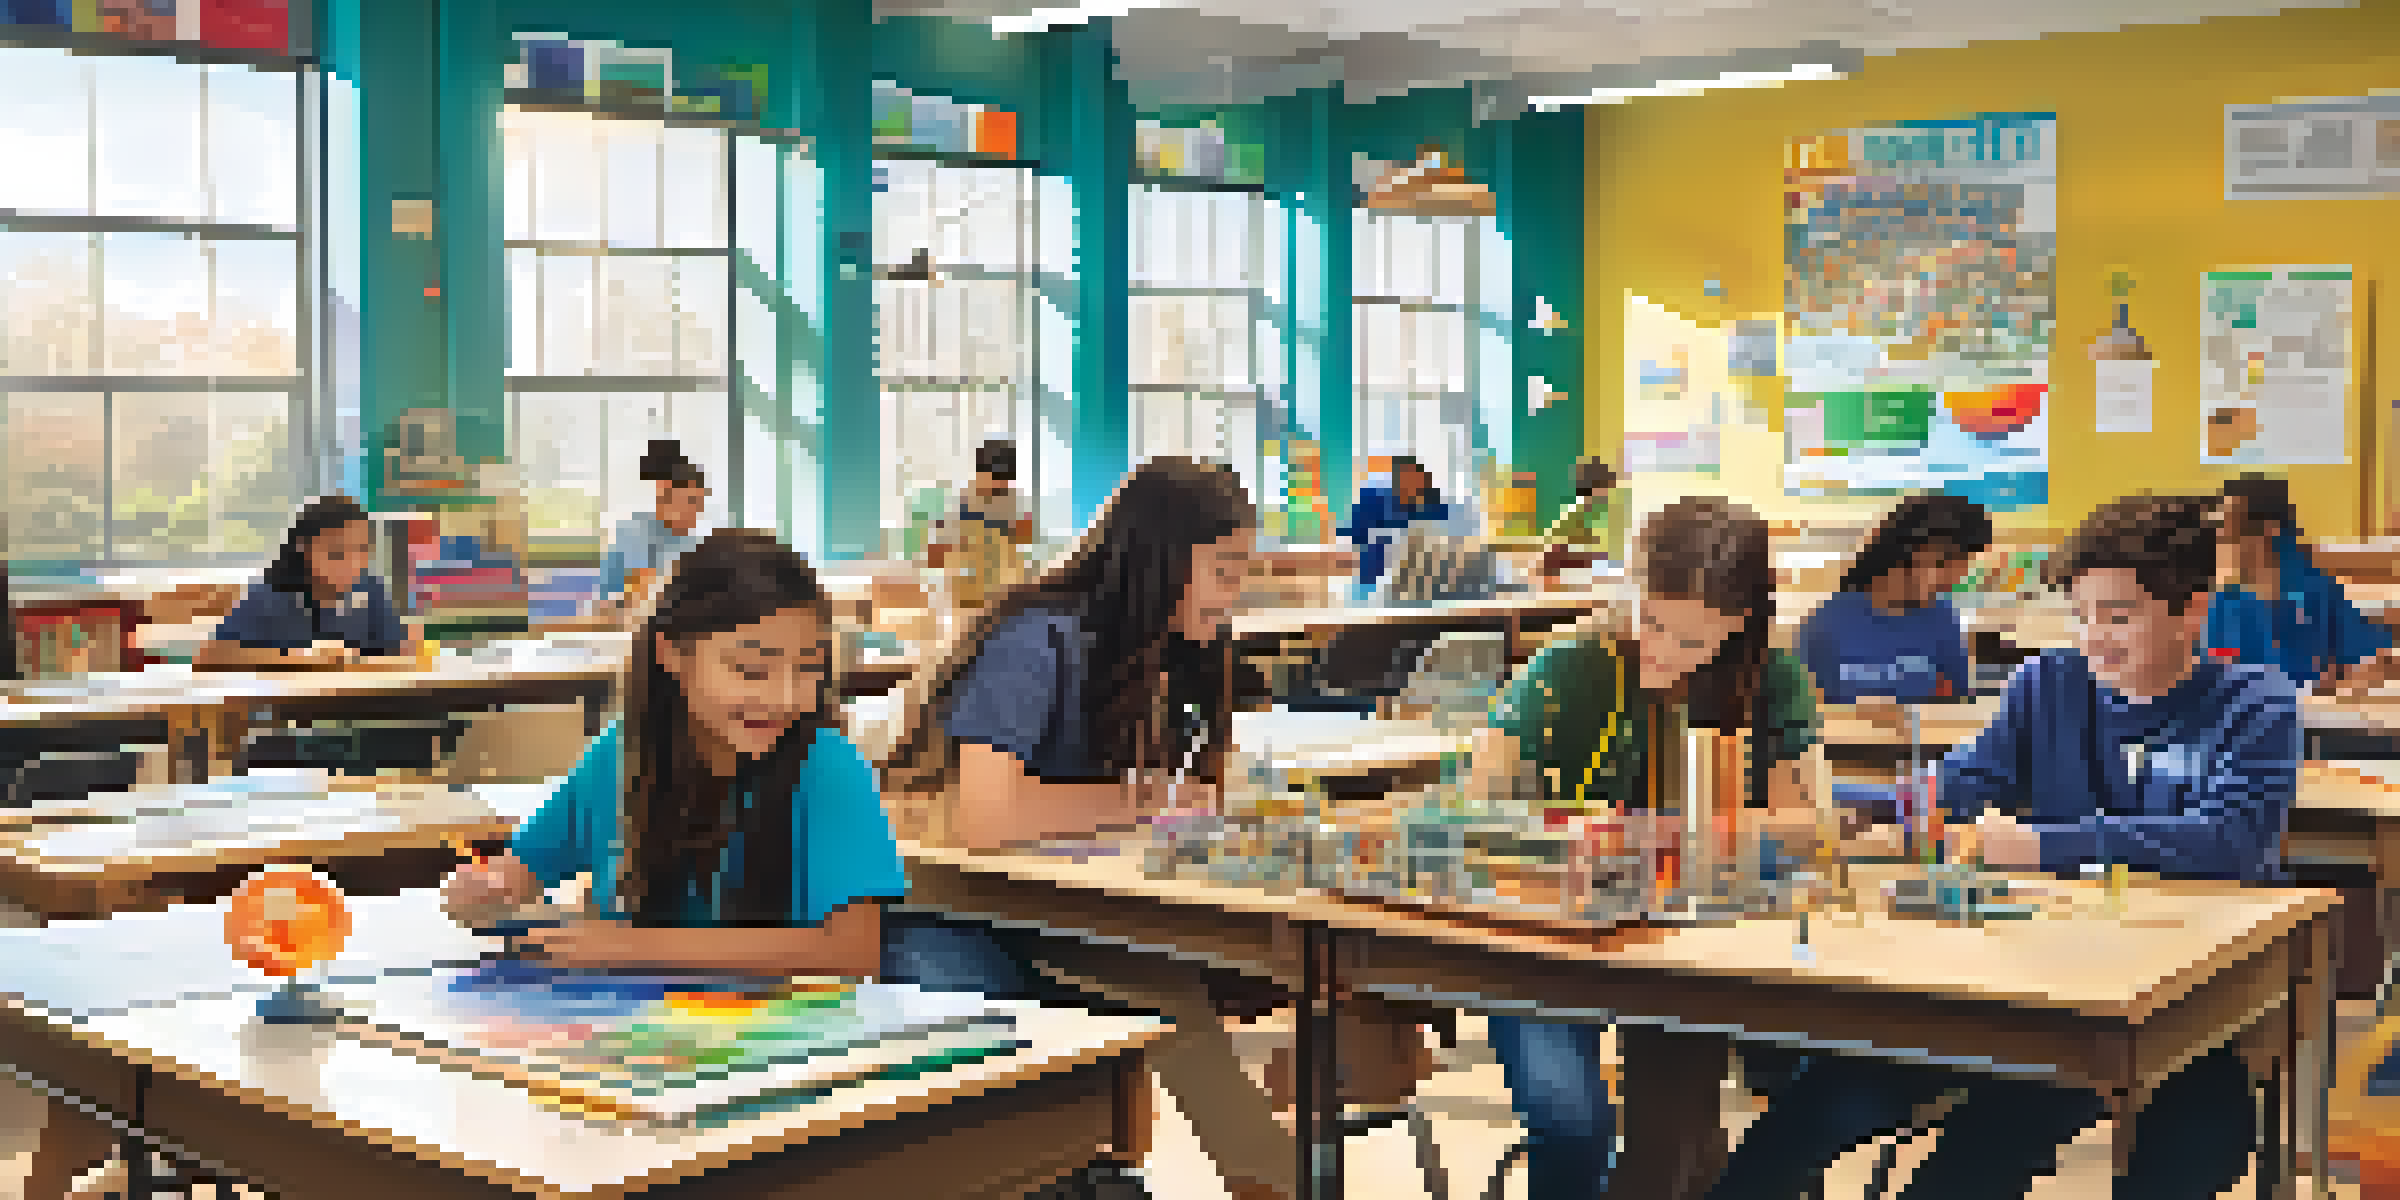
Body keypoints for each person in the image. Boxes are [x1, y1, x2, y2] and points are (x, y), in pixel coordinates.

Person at [1708, 493, 2301, 1200]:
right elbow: (1963, 780)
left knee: (2196, 1135)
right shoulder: (2049, 684)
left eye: (2119, 616)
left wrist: (2040, 847)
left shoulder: (2254, 705)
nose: (2095, 639)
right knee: (1834, 1096)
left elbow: (2228, 844)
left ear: (2192, 610)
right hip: (2044, 995)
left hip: (2184, 1007)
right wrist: (1846, 814)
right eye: (2082, 616)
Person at [878, 457, 1419, 1200]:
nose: (1234, 596)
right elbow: (987, 818)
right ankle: (1265, 1172)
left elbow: (1181, 795)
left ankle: (1284, 1143)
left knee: (1222, 974)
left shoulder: (1173, 655)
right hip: (957, 900)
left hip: (1058, 893)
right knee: (1163, 990)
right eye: (1224, 571)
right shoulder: (1036, 639)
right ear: (1163, 559)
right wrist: (1146, 799)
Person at [1468, 496, 1825, 1200]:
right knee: (1569, 1116)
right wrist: (1562, 835)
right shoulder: (1568, 670)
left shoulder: (1770, 679)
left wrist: (1684, 834)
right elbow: (1477, 807)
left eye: (1692, 641)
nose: (1662, 651)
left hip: (1688, 949)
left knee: (1671, 1139)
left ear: (1741, 621)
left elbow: (1809, 827)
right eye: (1652, 621)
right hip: (1550, 944)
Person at [440, 529, 902, 972]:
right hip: (634, 1032)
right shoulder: (622, 754)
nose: (784, 697)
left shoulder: (827, 766)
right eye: (752, 670)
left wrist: (631, 945)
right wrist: (484, 890)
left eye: (807, 669)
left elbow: (852, 950)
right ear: (672, 655)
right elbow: (521, 871)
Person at [2208, 473, 2398, 691]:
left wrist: (2347, 675)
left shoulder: (2316, 591)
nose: (2221, 539)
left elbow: (2372, 655)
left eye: (2230, 530)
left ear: (2267, 533)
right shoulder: (2222, 604)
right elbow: (2214, 674)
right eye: (2220, 530)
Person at [1797, 493, 1990, 705]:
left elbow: (1959, 706)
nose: (1953, 579)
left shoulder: (1943, 617)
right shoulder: (1827, 622)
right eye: (1943, 561)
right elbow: (1804, 714)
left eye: (1961, 567)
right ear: (1902, 553)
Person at [196, 494, 413, 669]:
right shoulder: (271, 593)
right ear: (304, 550)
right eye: (337, 553)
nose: (353, 563)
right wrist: (299, 660)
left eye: (363, 550)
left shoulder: (370, 589)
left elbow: (396, 649)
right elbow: (211, 654)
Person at [601, 439, 709, 621]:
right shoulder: (637, 532)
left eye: (699, 502)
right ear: (665, 496)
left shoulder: (693, 542)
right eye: (691, 501)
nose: (697, 510)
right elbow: (633, 592)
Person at [931, 438, 1034, 612]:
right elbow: (935, 557)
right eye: (993, 476)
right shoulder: (962, 503)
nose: (998, 484)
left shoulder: (1014, 502)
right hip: (969, 597)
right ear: (980, 473)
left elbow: (1026, 537)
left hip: (1007, 594)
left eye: (1004, 479)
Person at [1338, 456, 1450, 592]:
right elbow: (1351, 530)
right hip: (1375, 577)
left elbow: (1445, 536)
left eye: (1416, 479)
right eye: (1404, 478)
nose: (1410, 484)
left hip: (1420, 579)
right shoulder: (1374, 500)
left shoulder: (1435, 509)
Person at [1539, 457, 1621, 576]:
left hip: (1585, 565)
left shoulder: (1596, 510)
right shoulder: (1579, 510)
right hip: (1576, 568)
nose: (1607, 492)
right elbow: (1555, 549)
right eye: (1605, 487)